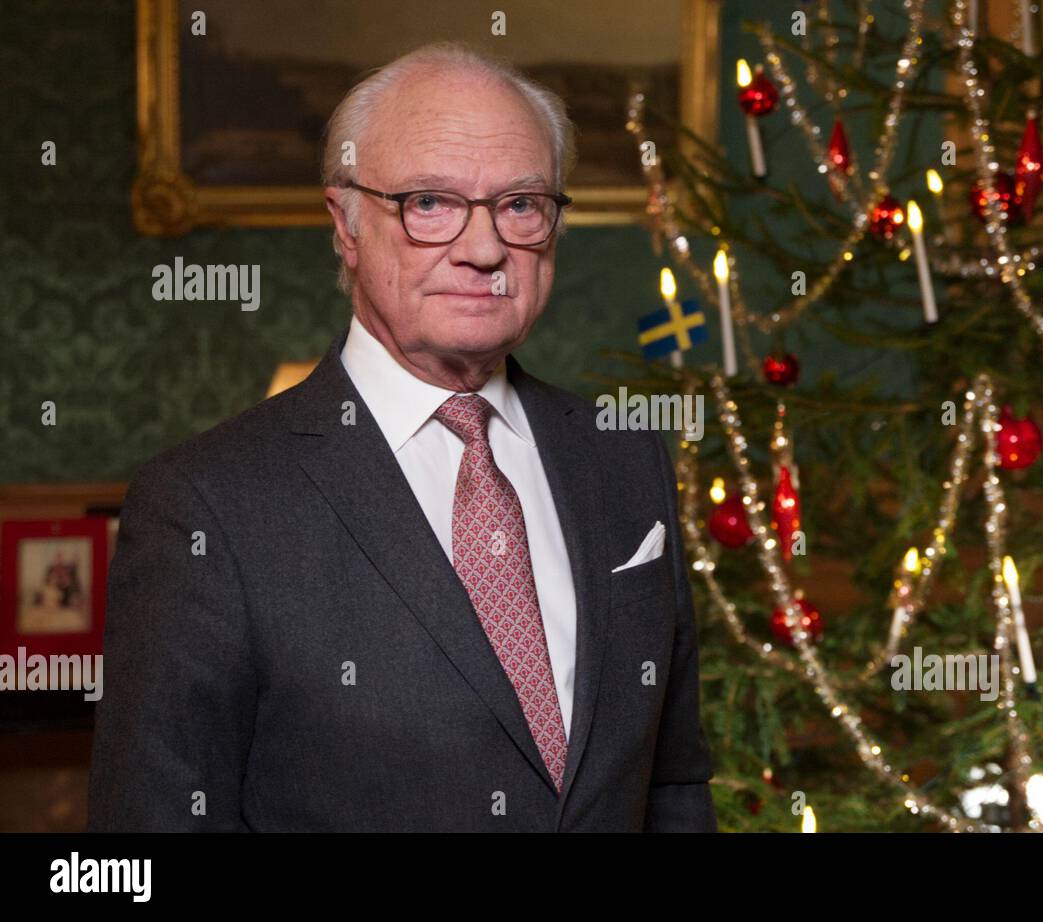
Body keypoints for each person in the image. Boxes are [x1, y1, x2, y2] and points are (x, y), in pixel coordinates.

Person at [88, 42, 716, 832]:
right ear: (345, 224)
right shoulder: (208, 506)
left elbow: (674, 787)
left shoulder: (625, 457)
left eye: (520, 204)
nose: (485, 248)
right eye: (429, 202)